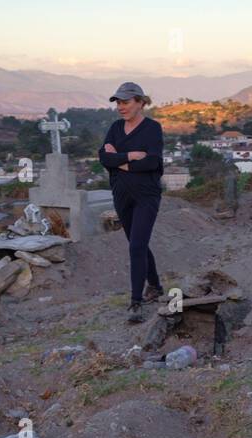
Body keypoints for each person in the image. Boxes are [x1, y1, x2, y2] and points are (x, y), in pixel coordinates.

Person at [99, 82, 164, 323]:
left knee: (136, 246)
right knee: (139, 243)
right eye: (118, 102)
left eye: (125, 102)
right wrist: (129, 157)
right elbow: (103, 158)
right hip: (121, 195)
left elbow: (153, 163)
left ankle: (135, 302)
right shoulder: (116, 128)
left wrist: (119, 162)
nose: (120, 107)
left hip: (147, 195)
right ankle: (156, 286)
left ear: (140, 102)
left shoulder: (152, 129)